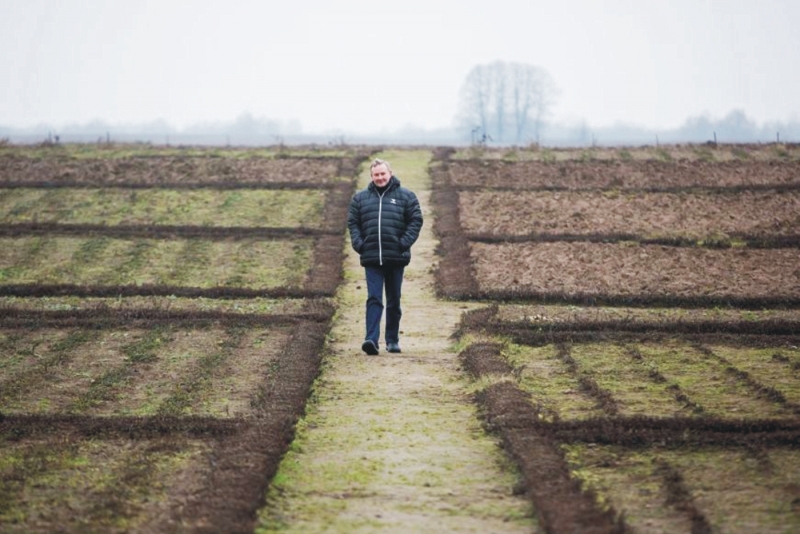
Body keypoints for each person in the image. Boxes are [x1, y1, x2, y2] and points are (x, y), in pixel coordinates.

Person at [347, 158, 423, 355]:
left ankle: (392, 340)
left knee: (393, 300)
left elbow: (416, 220)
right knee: (374, 298)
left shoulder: (406, 196)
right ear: (371, 177)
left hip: (396, 257)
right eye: (376, 175)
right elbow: (353, 223)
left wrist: (403, 244)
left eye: (383, 174)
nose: (380, 178)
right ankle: (371, 340)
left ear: (390, 173)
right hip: (371, 257)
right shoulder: (360, 198)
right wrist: (359, 244)